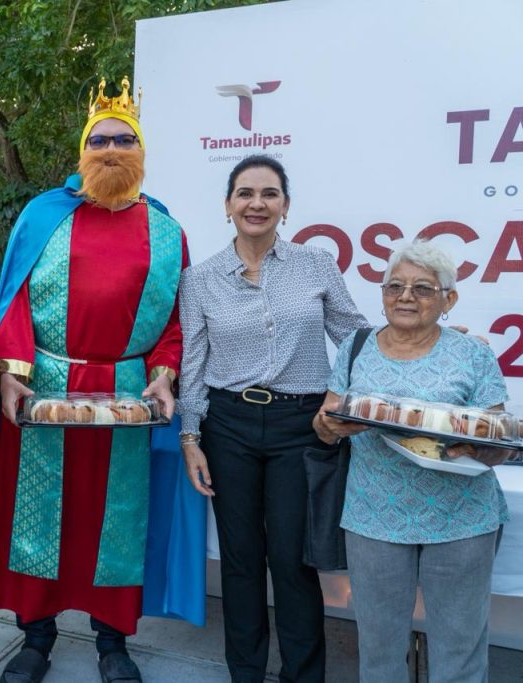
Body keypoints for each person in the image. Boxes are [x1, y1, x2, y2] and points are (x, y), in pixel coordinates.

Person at [0, 76, 208, 683]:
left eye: (124, 140)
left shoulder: (167, 230)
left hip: (128, 393)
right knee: (38, 515)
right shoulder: (44, 216)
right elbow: (16, 301)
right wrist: (10, 375)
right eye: (100, 140)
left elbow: (178, 319)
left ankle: (112, 640)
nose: (111, 150)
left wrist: (163, 379)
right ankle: (36, 636)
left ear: (142, 154)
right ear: (82, 152)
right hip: (46, 385)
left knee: (118, 518)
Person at [178, 155, 367, 682]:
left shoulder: (316, 265)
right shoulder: (200, 280)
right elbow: (192, 365)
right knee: (240, 562)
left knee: (293, 562)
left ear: (286, 205)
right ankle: (246, 674)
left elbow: (354, 338)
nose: (256, 203)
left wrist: (427, 345)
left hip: (300, 427)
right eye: (245, 193)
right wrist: (191, 438)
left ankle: (303, 676)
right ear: (227, 206)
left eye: (268, 194)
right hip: (229, 427)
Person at [314, 240, 515, 683]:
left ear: (449, 299)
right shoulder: (356, 345)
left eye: (423, 288)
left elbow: (498, 435)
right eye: (395, 286)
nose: (406, 297)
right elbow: (326, 422)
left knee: (460, 650)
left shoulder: (472, 353)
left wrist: (476, 445)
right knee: (380, 648)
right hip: (374, 516)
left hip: (461, 517)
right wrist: (331, 426)